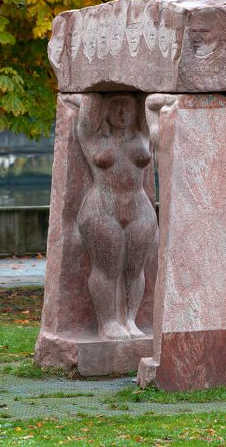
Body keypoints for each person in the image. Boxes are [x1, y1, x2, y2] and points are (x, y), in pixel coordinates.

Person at [70, 93, 157, 340]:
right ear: (105, 111)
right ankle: (107, 322)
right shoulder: (93, 139)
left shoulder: (142, 135)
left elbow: (149, 98)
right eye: (116, 106)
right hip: (102, 209)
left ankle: (130, 319)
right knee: (107, 268)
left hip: (139, 209)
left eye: (127, 106)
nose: (122, 113)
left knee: (135, 269)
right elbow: (88, 109)